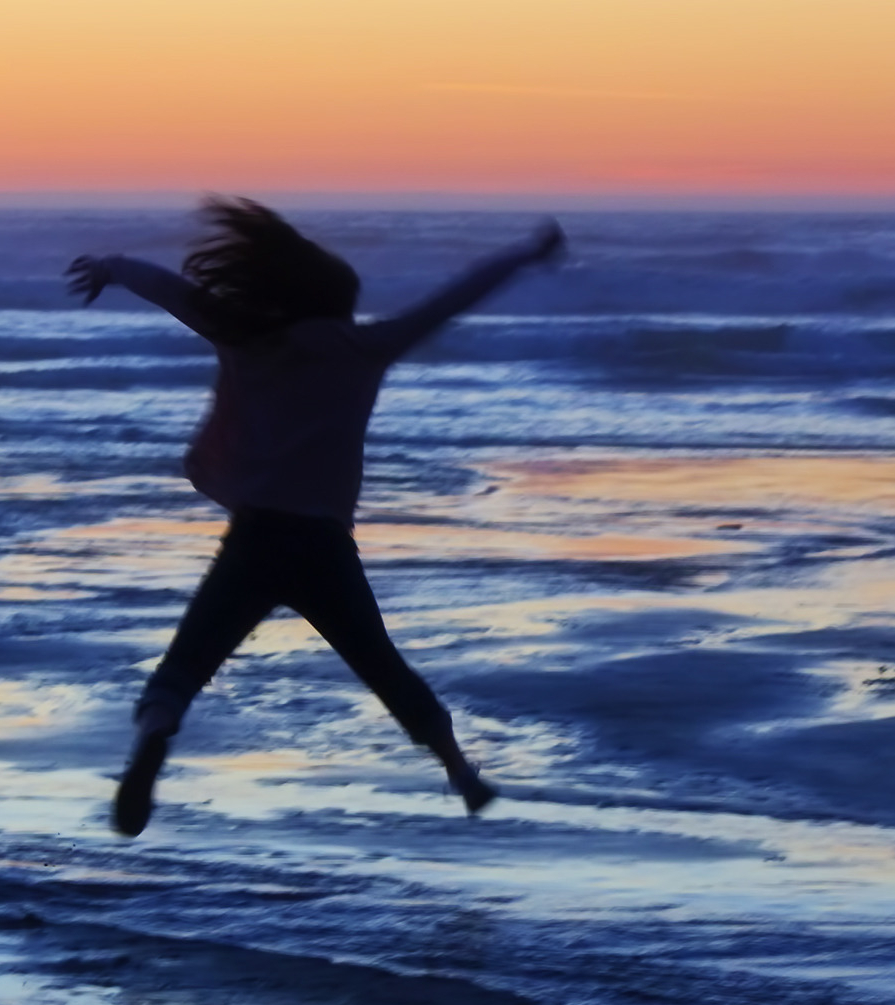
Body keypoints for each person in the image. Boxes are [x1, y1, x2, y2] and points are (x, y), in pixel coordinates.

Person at [66, 198, 565, 836]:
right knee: (382, 666)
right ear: (337, 304)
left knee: (185, 665)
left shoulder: (248, 338)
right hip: (323, 546)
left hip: (254, 538)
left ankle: (147, 753)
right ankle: (460, 772)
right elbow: (455, 296)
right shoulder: (365, 347)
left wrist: (111, 266)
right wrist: (525, 253)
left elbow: (170, 289)